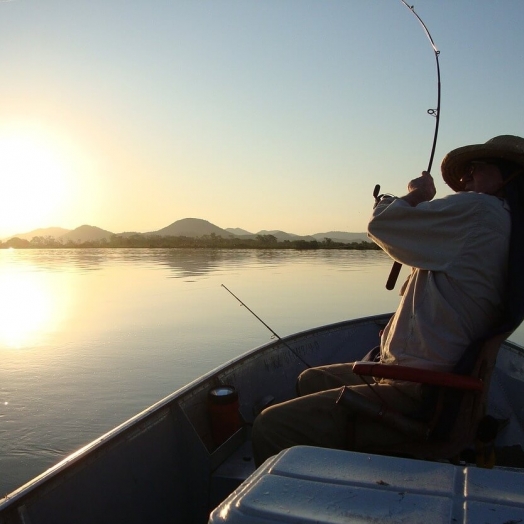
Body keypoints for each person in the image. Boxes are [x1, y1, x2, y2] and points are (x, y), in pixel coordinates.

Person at [252, 135, 524, 467]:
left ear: (508, 175)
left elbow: (384, 224)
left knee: (269, 426)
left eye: (476, 168)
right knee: (310, 380)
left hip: (419, 393)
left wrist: (417, 195)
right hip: (437, 389)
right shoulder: (506, 227)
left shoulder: (480, 210)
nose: (465, 177)